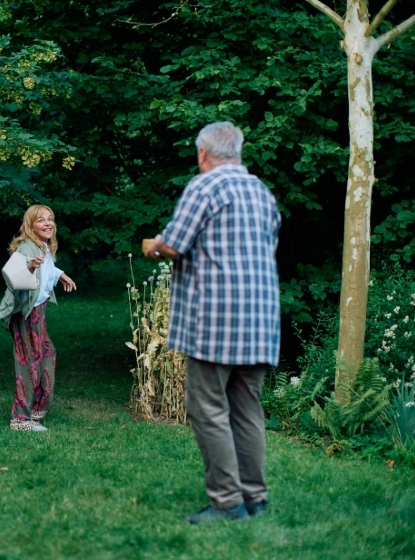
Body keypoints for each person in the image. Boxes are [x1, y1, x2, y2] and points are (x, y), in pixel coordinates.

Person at [144, 122, 281, 524]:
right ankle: (255, 498)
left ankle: (227, 503)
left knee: (207, 408)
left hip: (216, 320)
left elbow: (173, 244)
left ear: (203, 153)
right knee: (247, 408)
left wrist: (154, 246)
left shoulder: (204, 186)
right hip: (260, 319)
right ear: (237, 151)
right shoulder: (262, 191)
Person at [0, 205, 77, 432]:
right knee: (29, 361)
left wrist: (60, 274)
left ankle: (35, 412)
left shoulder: (43, 246)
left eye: (50, 219)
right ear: (30, 226)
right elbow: (14, 276)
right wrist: (30, 267)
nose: (47, 223)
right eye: (41, 220)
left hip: (38, 311)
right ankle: (21, 420)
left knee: (46, 354)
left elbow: (47, 268)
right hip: (24, 314)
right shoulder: (27, 247)